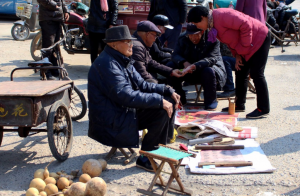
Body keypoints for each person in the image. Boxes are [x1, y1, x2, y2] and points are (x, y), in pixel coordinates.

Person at [88, 25, 180, 172]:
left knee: (169, 98)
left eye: (131, 41)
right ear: (114, 44)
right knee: (161, 109)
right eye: (127, 41)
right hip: (111, 120)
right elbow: (126, 96)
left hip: (121, 111)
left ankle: (160, 147)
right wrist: (158, 100)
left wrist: (166, 89)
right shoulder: (107, 64)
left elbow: (142, 84)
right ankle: (146, 157)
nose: (132, 45)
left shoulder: (122, 59)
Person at [188, 6, 271, 119]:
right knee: (240, 70)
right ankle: (239, 105)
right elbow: (230, 41)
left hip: (260, 38)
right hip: (245, 46)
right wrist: (237, 55)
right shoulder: (212, 25)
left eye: (196, 23)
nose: (197, 27)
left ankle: (263, 108)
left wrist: (243, 49)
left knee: (257, 74)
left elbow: (246, 25)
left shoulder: (222, 15)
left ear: (203, 18)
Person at [168, 24, 226, 110]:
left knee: (208, 71)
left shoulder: (212, 38)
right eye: (190, 35)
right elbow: (175, 55)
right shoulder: (182, 38)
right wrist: (184, 62)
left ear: (202, 32)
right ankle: (180, 98)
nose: (193, 38)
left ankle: (210, 101)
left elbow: (212, 58)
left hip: (205, 70)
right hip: (187, 70)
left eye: (195, 35)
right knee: (170, 67)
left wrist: (195, 66)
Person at [37, 0, 69, 80]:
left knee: (55, 47)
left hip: (57, 19)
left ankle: (54, 69)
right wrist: (55, 5)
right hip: (48, 19)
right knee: (48, 47)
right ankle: (46, 72)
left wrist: (65, 10)